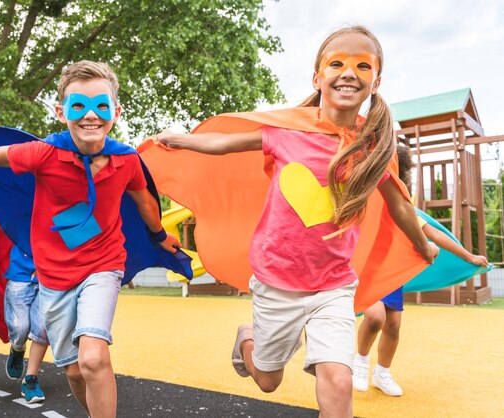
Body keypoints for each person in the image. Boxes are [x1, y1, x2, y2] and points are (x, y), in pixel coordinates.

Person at [156, 26, 439, 417]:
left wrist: (423, 246)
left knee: (339, 383)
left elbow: (401, 207)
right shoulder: (287, 131)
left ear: (376, 80)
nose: (348, 72)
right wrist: (182, 138)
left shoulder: (374, 149)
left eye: (362, 65)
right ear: (317, 76)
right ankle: (248, 338)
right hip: (277, 280)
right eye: (336, 63)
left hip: (334, 285)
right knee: (268, 381)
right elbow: (222, 144)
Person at [0, 60, 180, 417]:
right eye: (79, 106)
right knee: (75, 370)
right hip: (55, 277)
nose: (90, 115)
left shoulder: (126, 160)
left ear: (116, 112)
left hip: (104, 266)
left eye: (101, 106)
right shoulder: (45, 154)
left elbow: (145, 201)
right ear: (62, 112)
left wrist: (158, 234)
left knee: (93, 358)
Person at [353, 144, 489, 397]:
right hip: (365, 270)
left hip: (391, 272)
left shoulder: (400, 204)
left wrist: (468, 255)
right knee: (374, 317)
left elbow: (433, 233)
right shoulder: (366, 197)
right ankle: (359, 363)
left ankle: (382, 373)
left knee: (393, 326)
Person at [3, 245, 49, 403]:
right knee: (20, 328)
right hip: (20, 275)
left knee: (42, 329)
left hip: (50, 276)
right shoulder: (21, 219)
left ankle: (30, 379)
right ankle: (17, 348)